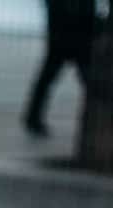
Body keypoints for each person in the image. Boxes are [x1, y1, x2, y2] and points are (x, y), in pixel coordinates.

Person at [23, 0, 96, 137]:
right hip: (73, 35)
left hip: (67, 34)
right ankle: (32, 118)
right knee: (90, 82)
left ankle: (32, 118)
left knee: (47, 79)